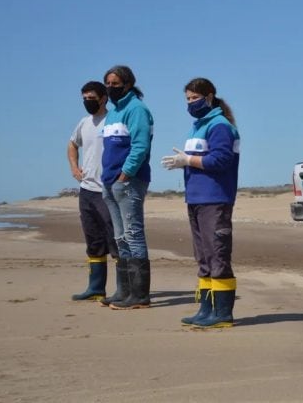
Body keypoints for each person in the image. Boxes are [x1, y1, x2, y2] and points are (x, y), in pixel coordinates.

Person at [162, 77, 240, 328]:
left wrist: (188, 161)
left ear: (209, 97)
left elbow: (220, 160)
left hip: (215, 199)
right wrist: (183, 163)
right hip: (195, 198)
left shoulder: (220, 126)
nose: (191, 103)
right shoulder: (197, 127)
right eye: (187, 99)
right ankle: (206, 309)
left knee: (217, 254)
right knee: (203, 256)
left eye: (195, 98)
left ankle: (223, 313)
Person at [101, 65, 154, 310]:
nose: (111, 88)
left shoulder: (137, 110)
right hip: (110, 181)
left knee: (133, 235)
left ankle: (140, 295)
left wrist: (124, 176)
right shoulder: (112, 114)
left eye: (115, 83)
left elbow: (140, 147)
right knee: (120, 237)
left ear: (128, 84)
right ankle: (123, 290)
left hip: (129, 181)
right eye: (108, 84)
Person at [68, 81, 118, 301]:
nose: (87, 102)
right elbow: (72, 145)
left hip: (108, 190)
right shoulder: (84, 123)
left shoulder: (114, 120)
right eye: (84, 98)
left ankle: (123, 289)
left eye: (91, 98)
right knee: (93, 241)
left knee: (115, 240)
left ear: (103, 98)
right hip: (86, 190)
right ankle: (96, 288)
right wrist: (74, 168)